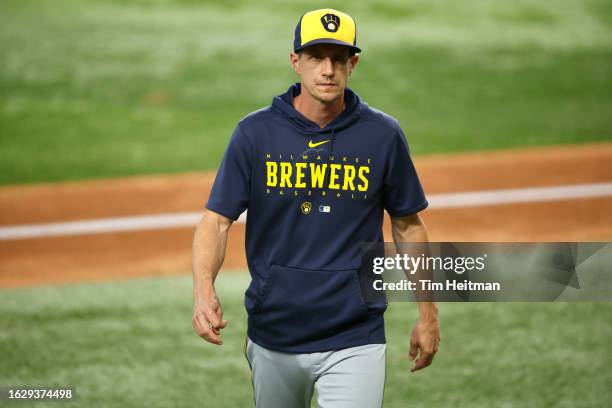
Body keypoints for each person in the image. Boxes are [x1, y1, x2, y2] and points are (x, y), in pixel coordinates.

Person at [192, 8, 440, 408]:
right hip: (274, 332)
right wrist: (204, 291)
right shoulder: (255, 134)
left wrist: (429, 315)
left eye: (338, 58)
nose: (327, 69)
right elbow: (217, 221)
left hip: (355, 336)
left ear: (352, 64)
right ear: (296, 61)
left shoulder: (383, 135)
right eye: (315, 57)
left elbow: (408, 226)